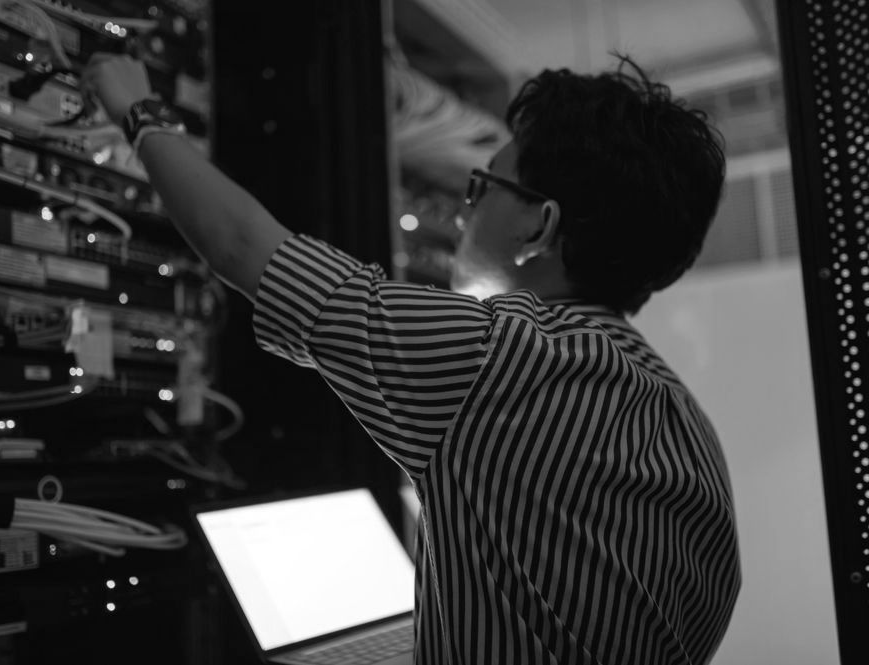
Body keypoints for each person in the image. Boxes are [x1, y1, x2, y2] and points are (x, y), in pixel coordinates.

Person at [82, 53, 741, 665]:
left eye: (482, 186)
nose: (462, 209)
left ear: (539, 228)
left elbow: (241, 246)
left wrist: (139, 113)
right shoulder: (690, 428)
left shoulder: (501, 355)